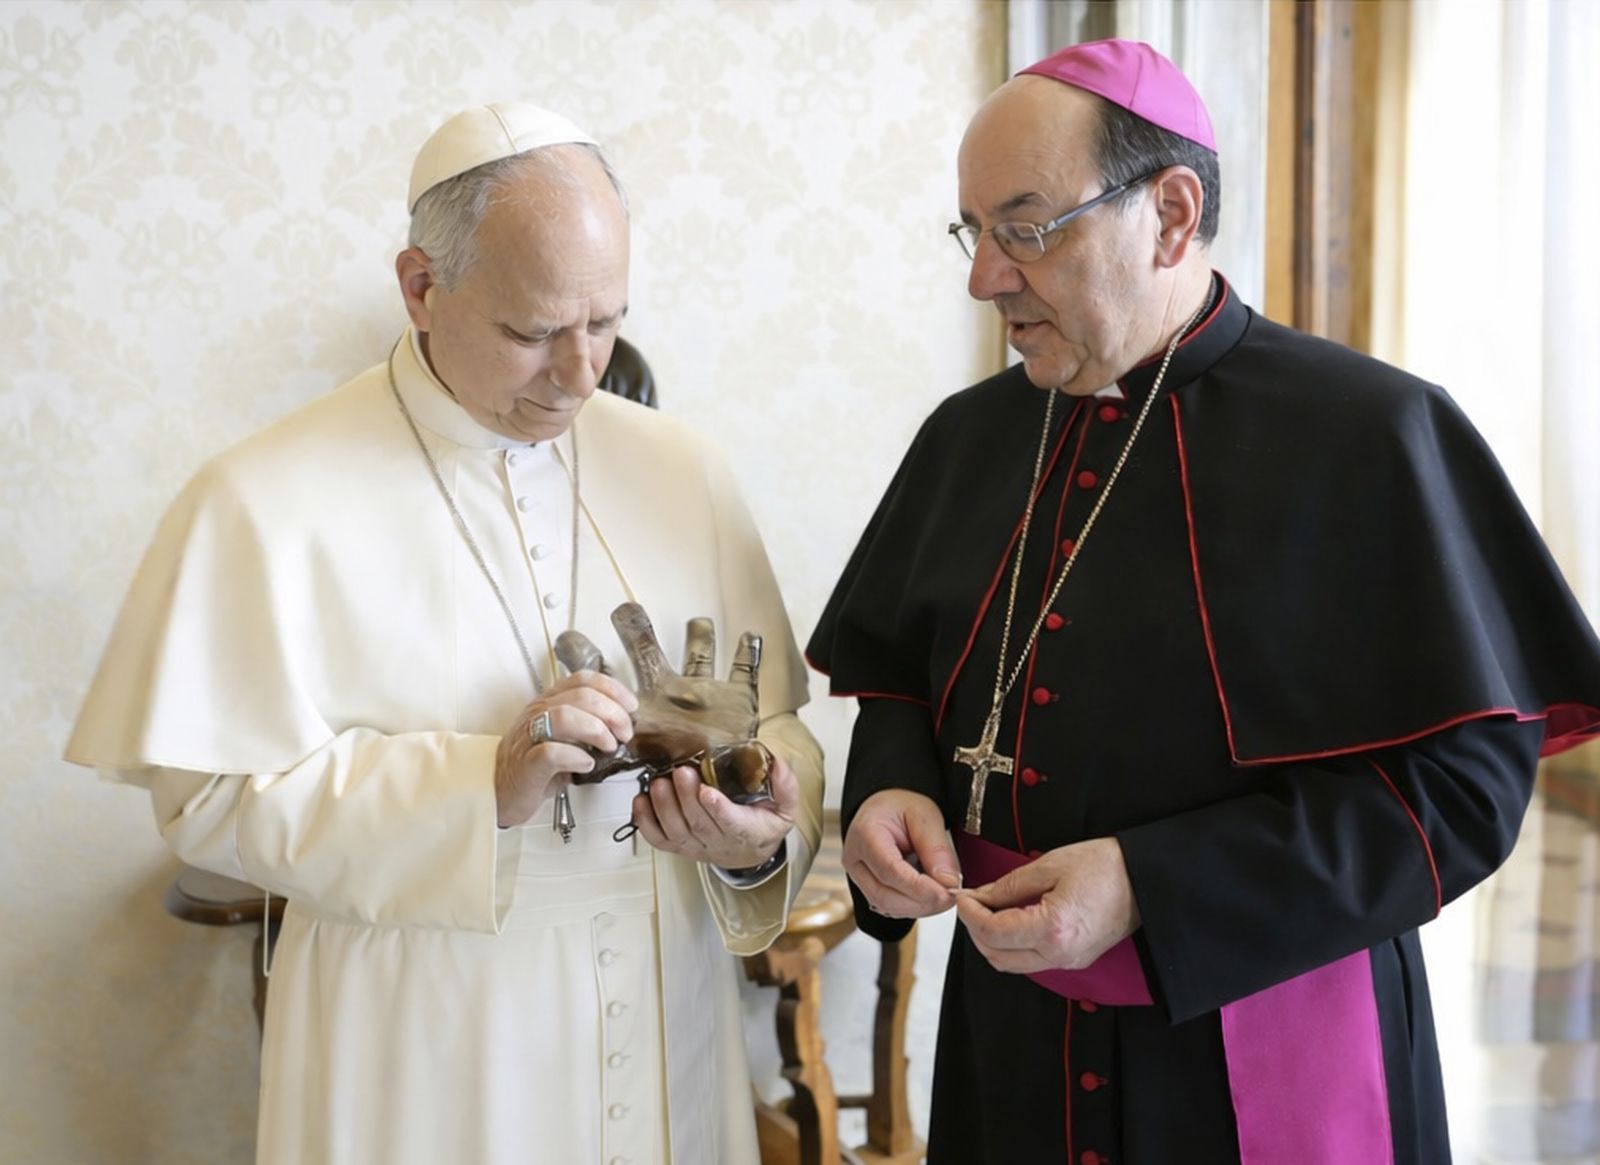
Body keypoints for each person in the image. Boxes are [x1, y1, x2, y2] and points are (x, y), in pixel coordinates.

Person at [807, 38, 1600, 1165]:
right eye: (970, 232)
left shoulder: (1367, 436)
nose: (982, 277)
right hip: (1016, 1042)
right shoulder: (968, 437)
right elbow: (898, 677)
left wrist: (1149, 884)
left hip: (1264, 1050)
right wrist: (892, 786)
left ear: (1170, 215)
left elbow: (1463, 791)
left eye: (1023, 229)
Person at [66, 102, 824, 1165]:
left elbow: (783, 730)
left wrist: (755, 830)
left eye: (607, 322)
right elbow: (205, 798)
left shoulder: (680, 467)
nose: (581, 373)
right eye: (532, 331)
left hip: (663, 1015)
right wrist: (478, 788)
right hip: (421, 1040)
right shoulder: (263, 496)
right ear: (421, 286)